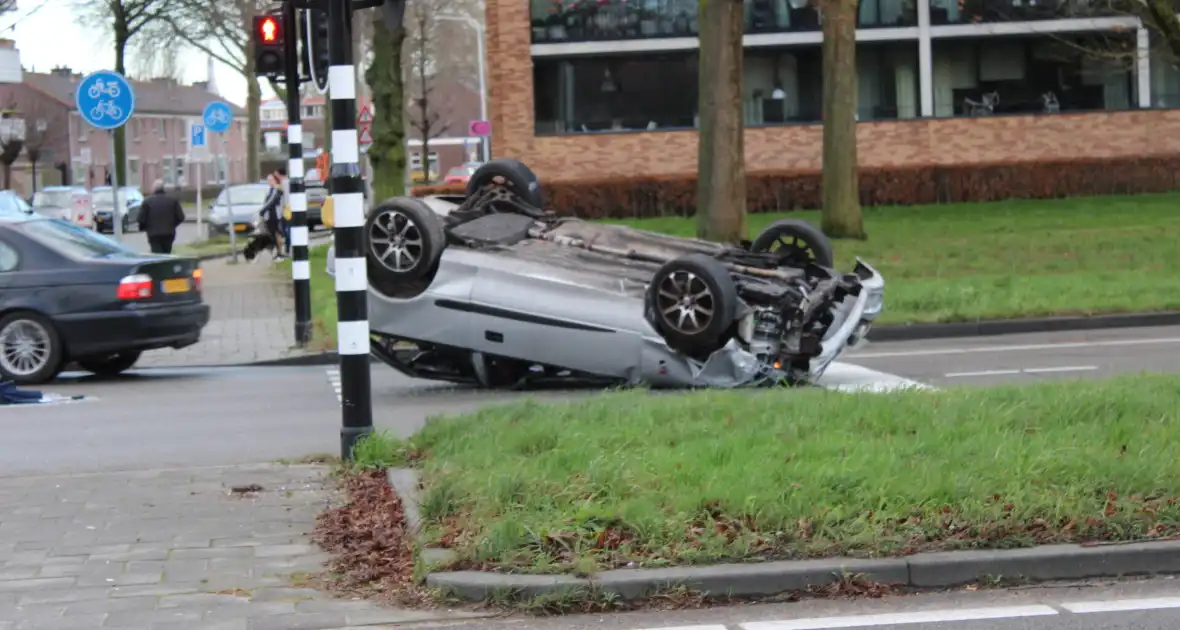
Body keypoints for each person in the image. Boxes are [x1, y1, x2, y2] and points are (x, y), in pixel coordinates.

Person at [138, 179, 185, 254]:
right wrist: (172, 224)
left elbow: (141, 219)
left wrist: (146, 227)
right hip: (169, 233)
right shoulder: (172, 200)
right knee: (167, 252)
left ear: (154, 189)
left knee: (157, 254)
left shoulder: (147, 202)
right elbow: (181, 217)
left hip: (153, 234)